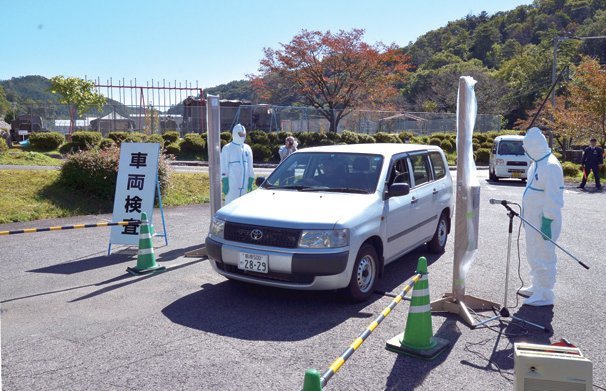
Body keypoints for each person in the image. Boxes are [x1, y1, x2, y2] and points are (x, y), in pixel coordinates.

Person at [519, 127, 564, 306]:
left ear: (535, 146)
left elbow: (554, 199)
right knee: (533, 252)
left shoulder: (551, 166)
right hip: (532, 219)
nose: (525, 151)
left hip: (544, 221)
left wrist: (547, 221)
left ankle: (545, 293)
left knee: (544, 254)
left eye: (527, 147)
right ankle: (536, 286)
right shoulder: (537, 163)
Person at [220, 124, 255, 204]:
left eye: (244, 134)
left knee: (243, 207)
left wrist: (251, 180)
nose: (242, 136)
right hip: (232, 184)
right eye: (240, 134)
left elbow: (250, 166)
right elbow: (224, 166)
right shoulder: (227, 148)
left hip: (245, 185)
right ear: (234, 134)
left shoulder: (247, 148)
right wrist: (225, 181)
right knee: (230, 206)